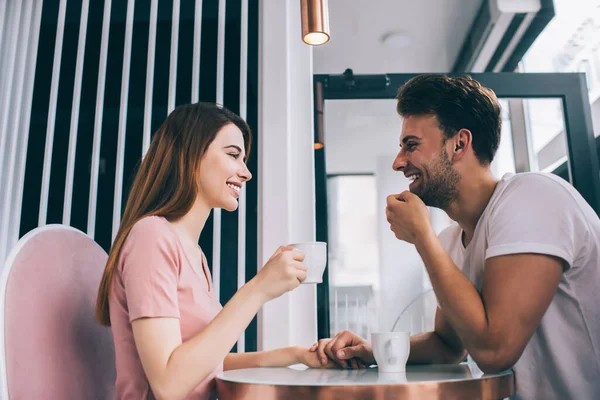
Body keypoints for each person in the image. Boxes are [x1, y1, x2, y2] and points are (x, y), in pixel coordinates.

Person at [311, 74, 600, 400]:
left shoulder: (532, 197)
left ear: (460, 144)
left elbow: (494, 351)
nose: (398, 162)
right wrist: (372, 349)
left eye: (411, 145)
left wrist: (422, 236)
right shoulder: (452, 239)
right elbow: (449, 345)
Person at [96, 103, 334, 400]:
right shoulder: (151, 237)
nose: (246, 173)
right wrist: (258, 289)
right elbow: (169, 384)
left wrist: (297, 355)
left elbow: (206, 366)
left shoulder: (194, 254)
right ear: (191, 155)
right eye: (233, 155)